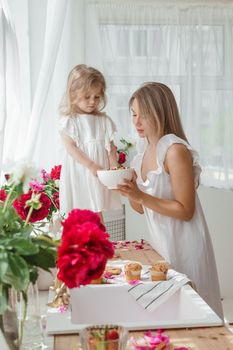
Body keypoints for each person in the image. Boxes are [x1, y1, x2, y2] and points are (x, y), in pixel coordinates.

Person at [116, 82, 223, 319]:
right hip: (162, 243)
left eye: (144, 115)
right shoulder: (142, 154)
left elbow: (185, 210)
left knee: (195, 309)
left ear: (160, 113)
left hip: (187, 243)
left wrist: (141, 195)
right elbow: (141, 208)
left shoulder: (174, 150)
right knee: (171, 310)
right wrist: (129, 190)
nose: (137, 122)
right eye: (134, 114)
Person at [58, 64, 121, 221]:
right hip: (82, 171)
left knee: (97, 210)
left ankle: (99, 241)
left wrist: (115, 167)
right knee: (82, 210)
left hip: (99, 173)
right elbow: (71, 147)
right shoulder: (70, 121)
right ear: (73, 95)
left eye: (97, 97)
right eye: (87, 97)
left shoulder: (103, 120)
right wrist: (91, 165)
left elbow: (111, 147)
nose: (93, 101)